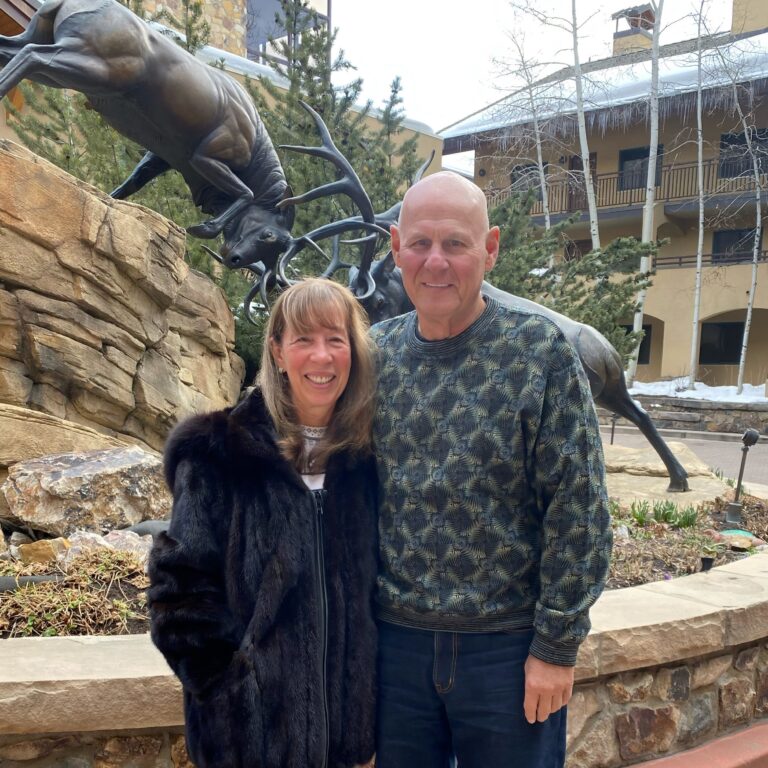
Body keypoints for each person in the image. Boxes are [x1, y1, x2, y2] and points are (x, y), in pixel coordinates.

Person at [371, 171, 612, 768]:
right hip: (393, 652)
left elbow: (578, 508)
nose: (436, 263)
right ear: (397, 246)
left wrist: (556, 646)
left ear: (491, 248)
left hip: (506, 655)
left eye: (455, 243)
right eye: (421, 243)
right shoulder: (372, 356)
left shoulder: (541, 354)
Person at [148, 278, 378, 768]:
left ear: (353, 352)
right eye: (303, 339)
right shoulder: (219, 454)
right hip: (247, 747)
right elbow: (178, 591)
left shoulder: (365, 462)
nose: (322, 357)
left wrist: (366, 720)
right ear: (276, 351)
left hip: (346, 749)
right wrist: (229, 690)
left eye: (335, 339)